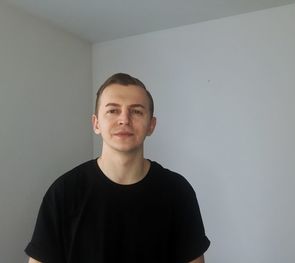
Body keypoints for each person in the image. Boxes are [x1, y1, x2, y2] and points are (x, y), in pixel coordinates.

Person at [25, 73, 210, 263]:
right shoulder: (64, 192)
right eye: (113, 110)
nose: (124, 120)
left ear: (151, 126)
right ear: (96, 123)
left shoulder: (178, 191)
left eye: (136, 111)